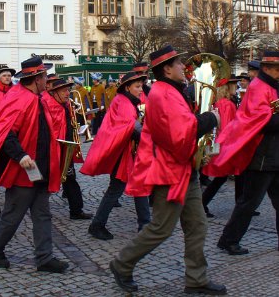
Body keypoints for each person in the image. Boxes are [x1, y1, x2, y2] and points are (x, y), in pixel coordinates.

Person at [109, 46, 226, 295]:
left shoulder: (171, 91)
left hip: (184, 169)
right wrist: (211, 119)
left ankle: (196, 279)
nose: (184, 67)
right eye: (179, 64)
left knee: (197, 226)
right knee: (161, 228)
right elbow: (180, 133)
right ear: (167, 69)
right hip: (170, 171)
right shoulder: (163, 94)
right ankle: (122, 263)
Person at [0, 56, 68, 273]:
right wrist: (20, 155)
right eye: (44, 76)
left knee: (42, 213)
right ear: (36, 78)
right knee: (13, 213)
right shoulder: (18, 98)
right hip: (24, 167)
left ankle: (45, 257)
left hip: (39, 166)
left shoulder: (36, 97)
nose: (46, 80)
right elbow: (4, 132)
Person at [206, 51, 279, 255]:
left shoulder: (270, 87)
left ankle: (229, 239)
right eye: (277, 69)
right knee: (249, 202)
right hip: (261, 157)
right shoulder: (259, 88)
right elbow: (263, 122)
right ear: (266, 68)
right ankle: (228, 239)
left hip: (272, 155)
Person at [81, 71, 151, 239]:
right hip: (123, 154)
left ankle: (145, 224)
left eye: (141, 86)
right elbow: (131, 127)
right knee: (116, 189)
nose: (141, 89)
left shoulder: (125, 100)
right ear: (127, 87)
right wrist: (149, 139)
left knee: (136, 186)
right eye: (137, 86)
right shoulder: (124, 102)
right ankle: (97, 225)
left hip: (126, 152)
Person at [43, 78, 92, 220]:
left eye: (68, 90)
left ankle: (76, 210)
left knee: (70, 179)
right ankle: (40, 211)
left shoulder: (64, 104)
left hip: (66, 149)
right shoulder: (50, 105)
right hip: (54, 151)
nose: (67, 93)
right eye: (64, 90)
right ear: (54, 92)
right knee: (46, 182)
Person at [202, 77, 238, 218]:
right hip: (225, 145)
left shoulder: (218, 103)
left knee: (222, 178)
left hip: (218, 143)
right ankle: (202, 204)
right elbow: (228, 128)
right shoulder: (228, 105)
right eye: (234, 84)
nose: (236, 86)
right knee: (222, 178)